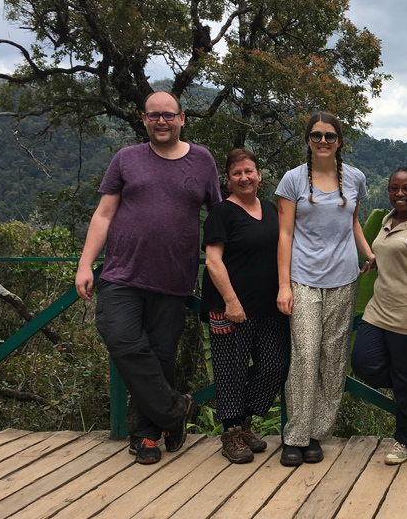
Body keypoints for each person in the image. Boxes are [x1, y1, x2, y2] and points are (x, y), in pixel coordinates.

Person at [75, 91, 222, 465]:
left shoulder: (202, 160)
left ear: (182, 118)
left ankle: (147, 437)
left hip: (174, 279)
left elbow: (219, 216)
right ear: (144, 119)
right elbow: (103, 214)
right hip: (122, 273)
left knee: (160, 358)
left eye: (168, 115)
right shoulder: (127, 159)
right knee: (121, 338)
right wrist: (84, 263)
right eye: (154, 116)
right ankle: (175, 413)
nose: (161, 121)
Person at [276, 112, 374, 467]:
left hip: (344, 278)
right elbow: (285, 234)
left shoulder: (356, 179)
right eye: (316, 136)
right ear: (307, 140)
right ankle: (295, 435)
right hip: (303, 277)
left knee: (333, 360)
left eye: (330, 136)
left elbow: (352, 221)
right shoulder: (292, 180)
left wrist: (368, 252)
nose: (322, 141)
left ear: (339, 141)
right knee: (304, 355)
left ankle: (317, 433)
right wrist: (283, 285)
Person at [201, 148, 288, 464]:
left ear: (259, 176)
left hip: (266, 308)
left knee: (274, 366)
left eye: (248, 171)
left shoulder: (268, 209)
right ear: (228, 180)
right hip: (229, 308)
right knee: (230, 372)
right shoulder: (222, 212)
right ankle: (231, 433)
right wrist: (231, 302)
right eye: (236, 173)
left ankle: (244, 422)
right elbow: (213, 261)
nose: (244, 178)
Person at [351, 167, 407, 465]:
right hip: (379, 310)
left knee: (406, 379)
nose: (399, 194)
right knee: (363, 363)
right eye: (394, 188)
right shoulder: (387, 221)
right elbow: (389, 252)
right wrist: (376, 261)